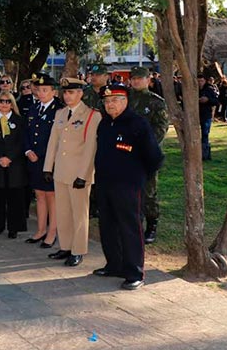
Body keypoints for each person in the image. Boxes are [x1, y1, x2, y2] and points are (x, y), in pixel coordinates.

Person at [93, 83, 163, 290]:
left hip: (128, 186)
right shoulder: (105, 124)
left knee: (130, 228)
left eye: (114, 100)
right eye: (106, 101)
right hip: (105, 184)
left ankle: (135, 272)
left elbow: (154, 157)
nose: (110, 105)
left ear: (125, 101)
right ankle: (114, 265)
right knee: (107, 226)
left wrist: (139, 178)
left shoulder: (137, 124)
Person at [41, 78, 101, 267]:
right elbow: (53, 142)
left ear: (81, 94)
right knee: (63, 212)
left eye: (72, 92)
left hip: (78, 174)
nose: (67, 96)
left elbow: (91, 148)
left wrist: (83, 175)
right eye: (65, 93)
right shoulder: (60, 113)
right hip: (61, 171)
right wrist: (48, 167)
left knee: (79, 214)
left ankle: (78, 250)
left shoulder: (92, 115)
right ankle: (65, 246)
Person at [128, 66, 169, 244]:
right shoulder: (125, 99)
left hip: (146, 154)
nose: (136, 81)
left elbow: (161, 128)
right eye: (134, 78)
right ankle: (133, 224)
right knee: (128, 190)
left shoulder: (156, 102)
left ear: (148, 80)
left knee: (148, 191)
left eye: (140, 78)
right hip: (125, 152)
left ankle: (151, 226)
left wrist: (143, 145)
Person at [23, 73, 62, 248]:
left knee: (51, 196)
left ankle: (52, 231)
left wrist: (43, 155)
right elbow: (26, 132)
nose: (41, 93)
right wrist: (28, 150)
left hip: (50, 161)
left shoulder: (59, 110)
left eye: (45, 90)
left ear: (54, 92)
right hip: (34, 159)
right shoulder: (33, 108)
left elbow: (58, 138)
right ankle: (40, 229)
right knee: (39, 195)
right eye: (38, 90)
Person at [0, 91, 28, 239]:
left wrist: (10, 157)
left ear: (12, 104)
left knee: (15, 197)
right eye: (1, 101)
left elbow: (22, 142)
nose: (4, 104)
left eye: (8, 101)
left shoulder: (19, 120)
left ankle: (14, 227)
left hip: (15, 164)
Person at [198, 73, 219, 161]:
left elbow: (216, 101)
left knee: (205, 134)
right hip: (195, 115)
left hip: (206, 114)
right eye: (198, 81)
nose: (199, 83)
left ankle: (205, 155)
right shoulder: (193, 89)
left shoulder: (209, 89)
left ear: (205, 81)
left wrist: (208, 100)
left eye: (201, 81)